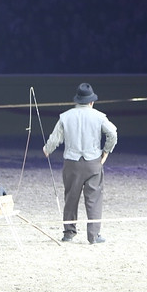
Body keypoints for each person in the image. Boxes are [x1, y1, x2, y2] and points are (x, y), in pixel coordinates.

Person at [43, 82, 118, 243]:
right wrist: (105, 152)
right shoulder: (99, 116)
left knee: (71, 197)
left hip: (72, 163)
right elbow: (113, 132)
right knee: (94, 199)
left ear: (77, 100)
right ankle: (93, 235)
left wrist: (47, 149)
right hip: (93, 163)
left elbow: (55, 138)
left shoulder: (65, 116)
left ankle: (69, 233)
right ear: (92, 102)